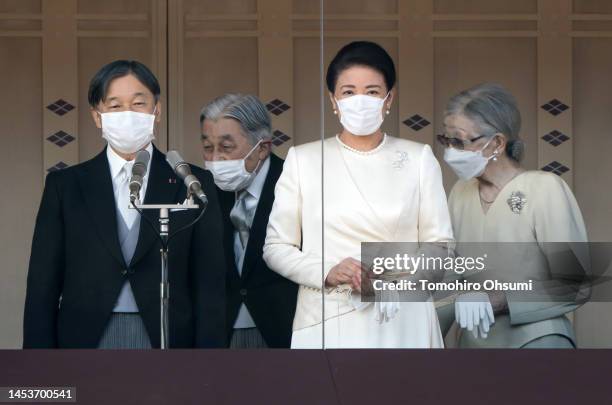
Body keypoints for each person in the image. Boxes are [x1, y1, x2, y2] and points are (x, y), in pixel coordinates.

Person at [23, 60, 226, 348]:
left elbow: (210, 283)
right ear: (97, 116)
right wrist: (37, 360)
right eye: (115, 106)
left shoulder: (192, 181)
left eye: (138, 103)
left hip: (169, 335)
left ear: (157, 111)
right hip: (84, 336)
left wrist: (210, 360)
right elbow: (43, 282)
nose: (127, 114)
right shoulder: (66, 186)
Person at [263, 41, 453, 348]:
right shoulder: (304, 159)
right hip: (326, 315)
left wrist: (396, 287)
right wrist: (329, 271)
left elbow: (440, 247)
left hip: (401, 316)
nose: (360, 100)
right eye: (349, 92)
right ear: (333, 100)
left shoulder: (418, 158)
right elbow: (276, 247)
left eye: (373, 91)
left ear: (389, 98)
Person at [438, 83, 589, 348]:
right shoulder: (460, 193)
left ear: (496, 143)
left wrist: (499, 299)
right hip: (474, 348)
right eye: (447, 141)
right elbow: (449, 280)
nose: (451, 151)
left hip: (539, 342)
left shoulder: (545, 189)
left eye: (460, 141)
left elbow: (575, 285)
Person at [200, 94, 298, 348]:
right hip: (220, 334)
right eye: (208, 147)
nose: (216, 158)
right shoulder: (202, 191)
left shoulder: (296, 184)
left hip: (283, 331)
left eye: (226, 146)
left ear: (262, 147)